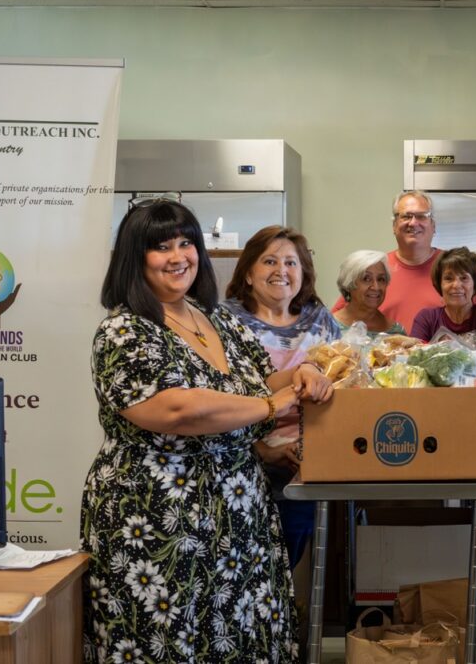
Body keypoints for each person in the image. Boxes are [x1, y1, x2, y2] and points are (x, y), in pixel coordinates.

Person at [82, 198, 332, 663]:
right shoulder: (124, 329)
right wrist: (267, 405)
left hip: (238, 515)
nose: (179, 257)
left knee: (242, 634)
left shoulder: (211, 316)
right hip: (158, 522)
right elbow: (175, 409)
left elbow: (259, 378)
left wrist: (300, 375)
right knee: (165, 639)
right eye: (161, 248)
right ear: (134, 258)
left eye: (186, 243)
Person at [223, 225, 340, 571]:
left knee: (289, 561)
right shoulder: (226, 322)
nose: (281, 271)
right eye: (269, 261)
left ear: (303, 273)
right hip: (243, 459)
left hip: (309, 463)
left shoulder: (320, 321)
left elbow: (345, 383)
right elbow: (219, 396)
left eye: (291, 262)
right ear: (247, 272)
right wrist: (264, 452)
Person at [331, 190, 476, 331]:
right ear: (394, 226)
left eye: (422, 216)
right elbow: (336, 319)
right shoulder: (377, 271)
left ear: (433, 226)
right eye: (406, 216)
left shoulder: (454, 269)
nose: (413, 223)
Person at [410, 247, 476, 346]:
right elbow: (415, 356)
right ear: (439, 284)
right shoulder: (427, 318)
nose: (456, 285)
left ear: (475, 283)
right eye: (448, 278)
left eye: (464, 278)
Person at [333, 249, 407, 336]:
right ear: (349, 283)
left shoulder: (396, 333)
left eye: (381, 279)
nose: (376, 287)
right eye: (366, 279)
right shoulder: (328, 327)